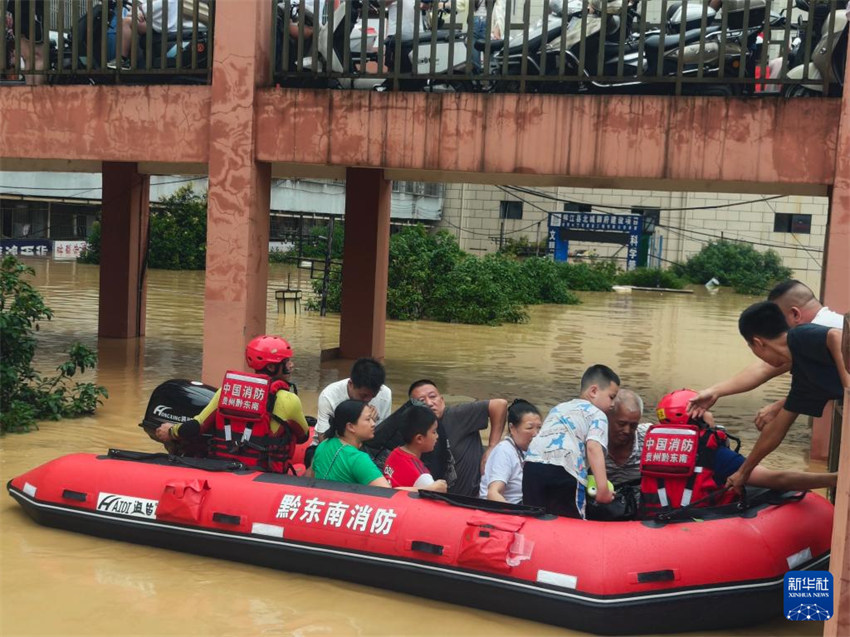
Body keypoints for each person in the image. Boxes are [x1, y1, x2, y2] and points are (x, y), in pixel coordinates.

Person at [641, 389, 837, 516]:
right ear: (697, 415)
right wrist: (833, 479)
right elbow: (778, 479)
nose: (711, 413)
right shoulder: (716, 455)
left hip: (656, 520)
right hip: (702, 526)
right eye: (706, 409)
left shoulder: (650, 448)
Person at [723, 301, 848, 493]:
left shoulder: (798, 336)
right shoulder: (803, 377)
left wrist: (847, 382)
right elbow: (774, 431)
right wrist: (743, 472)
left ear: (757, 343)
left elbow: (835, 335)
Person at [688, 279, 844, 429]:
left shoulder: (820, 331)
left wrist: (779, 406)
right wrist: (715, 391)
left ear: (795, 314)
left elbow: (768, 370)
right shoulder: (820, 328)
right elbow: (764, 368)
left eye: (778, 320)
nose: (775, 327)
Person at [154, 335, 309, 472]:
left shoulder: (227, 391)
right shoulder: (289, 400)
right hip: (263, 474)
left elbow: (198, 425)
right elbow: (303, 436)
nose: (291, 365)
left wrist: (171, 431)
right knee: (301, 468)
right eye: (287, 362)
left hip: (224, 467)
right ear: (271, 366)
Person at [522, 364, 620, 518]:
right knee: (571, 522)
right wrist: (603, 490)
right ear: (593, 391)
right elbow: (593, 447)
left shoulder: (559, 408)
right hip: (565, 469)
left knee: (533, 518)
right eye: (611, 397)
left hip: (531, 466)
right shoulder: (597, 414)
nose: (613, 404)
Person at [408, 379, 507, 498]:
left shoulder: (457, 415)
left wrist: (492, 447)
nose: (429, 403)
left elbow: (499, 405)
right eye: (422, 401)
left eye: (433, 397)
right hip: (438, 501)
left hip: (474, 497)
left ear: (442, 400)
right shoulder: (413, 432)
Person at [310, 399, 392, 487]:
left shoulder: (324, 444)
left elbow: (312, 477)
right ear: (350, 427)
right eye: (368, 419)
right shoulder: (358, 459)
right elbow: (386, 492)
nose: (373, 424)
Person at [313, 358, 392, 445]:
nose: (367, 400)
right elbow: (323, 440)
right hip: (332, 446)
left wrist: (370, 423)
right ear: (351, 384)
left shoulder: (385, 395)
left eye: (373, 396)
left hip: (366, 447)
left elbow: (384, 435)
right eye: (363, 396)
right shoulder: (329, 396)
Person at [479, 399, 542, 504]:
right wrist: (514, 516)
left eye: (539, 428)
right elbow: (493, 493)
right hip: (503, 509)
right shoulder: (504, 451)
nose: (536, 433)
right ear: (512, 428)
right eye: (529, 428)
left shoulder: (534, 450)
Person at [382, 404, 448, 492]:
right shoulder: (424, 478)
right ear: (419, 439)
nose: (437, 436)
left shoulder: (394, 453)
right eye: (434, 432)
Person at [604, 389, 650, 489]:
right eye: (621, 424)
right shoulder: (594, 442)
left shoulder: (650, 437)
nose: (627, 430)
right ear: (607, 417)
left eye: (633, 425)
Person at [5, 0, 45, 85]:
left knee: (28, 59)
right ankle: (37, 93)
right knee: (39, 58)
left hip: (17, 11)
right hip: (33, 12)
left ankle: (31, 90)